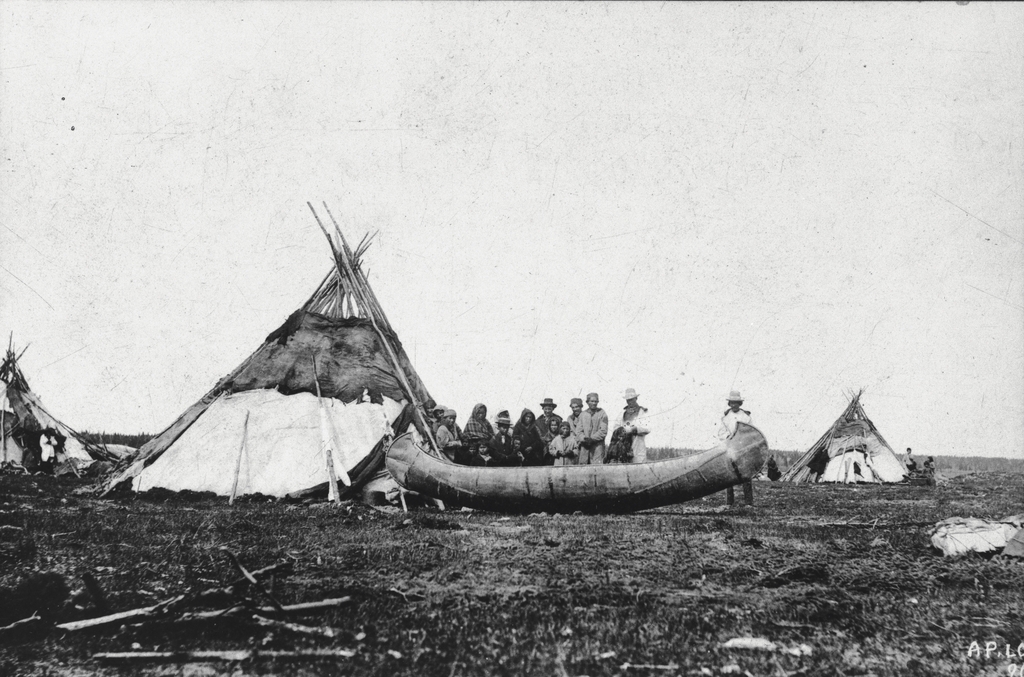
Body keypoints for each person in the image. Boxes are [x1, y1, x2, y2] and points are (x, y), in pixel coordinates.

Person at [719, 391, 753, 506]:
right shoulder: (725, 418)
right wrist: (728, 437)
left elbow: (751, 432)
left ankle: (748, 502)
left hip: (743, 448)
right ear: (729, 403)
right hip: (730, 448)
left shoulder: (746, 417)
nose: (734, 405)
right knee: (729, 475)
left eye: (736, 403)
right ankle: (729, 503)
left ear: (739, 403)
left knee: (746, 475)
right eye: (732, 403)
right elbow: (721, 433)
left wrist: (742, 440)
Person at [610, 388, 651, 463]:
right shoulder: (623, 413)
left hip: (637, 444)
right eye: (628, 400)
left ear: (636, 398)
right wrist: (621, 430)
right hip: (624, 445)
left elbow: (647, 428)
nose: (630, 402)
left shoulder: (642, 412)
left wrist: (634, 429)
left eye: (632, 399)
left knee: (638, 466)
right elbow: (615, 427)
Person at [578, 393, 608, 465]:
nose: (594, 403)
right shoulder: (582, 414)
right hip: (585, 446)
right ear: (587, 402)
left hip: (597, 446)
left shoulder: (602, 413)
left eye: (596, 401)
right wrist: (583, 439)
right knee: (583, 467)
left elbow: (603, 430)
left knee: (597, 468)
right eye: (592, 401)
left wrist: (592, 439)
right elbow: (579, 431)